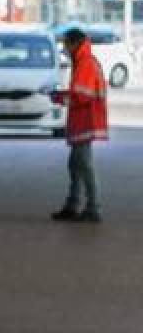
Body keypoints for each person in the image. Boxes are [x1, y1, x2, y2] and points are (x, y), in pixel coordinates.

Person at [50, 28, 108, 223]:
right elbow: (79, 92)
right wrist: (61, 96)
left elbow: (82, 95)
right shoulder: (83, 62)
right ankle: (73, 205)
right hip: (83, 122)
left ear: (74, 44)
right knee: (75, 165)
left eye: (66, 44)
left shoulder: (85, 63)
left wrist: (61, 98)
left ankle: (93, 208)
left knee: (83, 165)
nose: (64, 48)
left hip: (86, 122)